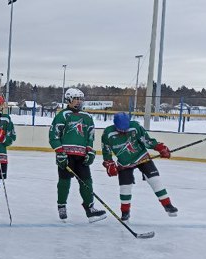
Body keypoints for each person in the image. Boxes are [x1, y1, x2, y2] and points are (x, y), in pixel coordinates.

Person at [101, 112, 178, 221]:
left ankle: (168, 205)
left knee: (155, 179)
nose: (123, 132)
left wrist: (159, 147)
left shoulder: (135, 127)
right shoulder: (107, 133)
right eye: (120, 129)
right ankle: (125, 212)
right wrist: (109, 164)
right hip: (124, 163)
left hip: (141, 157)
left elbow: (146, 141)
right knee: (125, 187)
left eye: (125, 129)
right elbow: (106, 151)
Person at [49, 88, 106, 222]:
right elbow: (53, 135)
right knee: (64, 181)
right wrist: (60, 152)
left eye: (80, 99)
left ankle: (90, 208)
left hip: (81, 156)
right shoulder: (62, 115)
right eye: (76, 98)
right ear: (68, 99)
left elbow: (90, 136)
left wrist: (90, 151)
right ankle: (61, 205)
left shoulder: (87, 117)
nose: (79, 101)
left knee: (86, 181)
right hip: (66, 155)